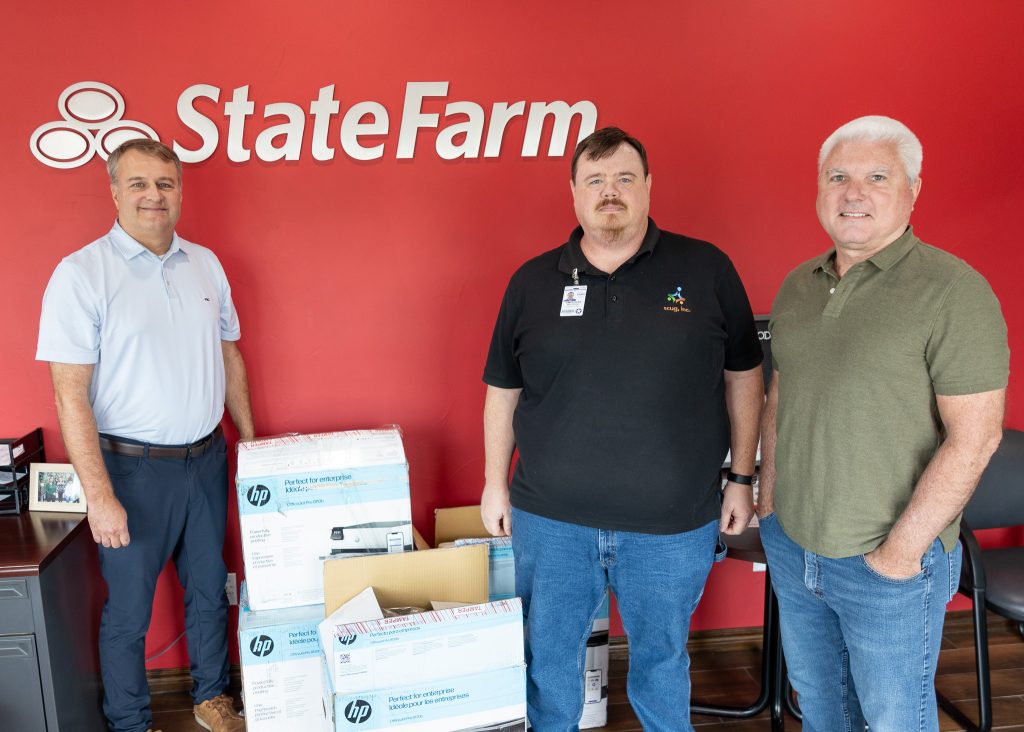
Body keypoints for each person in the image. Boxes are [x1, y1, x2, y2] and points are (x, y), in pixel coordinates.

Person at [481, 127, 764, 731]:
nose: (611, 192)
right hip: (552, 521)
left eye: (625, 178)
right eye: (596, 180)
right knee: (547, 662)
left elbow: (745, 375)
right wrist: (492, 484)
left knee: (662, 661)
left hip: (671, 524)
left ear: (648, 188)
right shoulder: (531, 282)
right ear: (575, 195)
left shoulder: (706, 268)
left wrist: (740, 478)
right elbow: (503, 390)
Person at [758, 116, 1009, 731]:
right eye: (838, 176)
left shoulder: (954, 291)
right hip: (795, 547)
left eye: (877, 176)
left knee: (896, 721)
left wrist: (899, 554)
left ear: (912, 189)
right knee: (822, 712)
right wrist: (769, 505)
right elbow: (779, 396)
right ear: (820, 188)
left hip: (887, 562)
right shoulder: (799, 287)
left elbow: (976, 437)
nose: (854, 192)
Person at [36, 138, 255, 732]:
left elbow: (229, 354)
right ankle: (130, 722)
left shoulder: (206, 264)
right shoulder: (81, 274)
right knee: (129, 612)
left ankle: (212, 696)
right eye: (138, 184)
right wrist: (100, 495)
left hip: (206, 459)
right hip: (130, 471)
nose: (153, 196)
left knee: (211, 588)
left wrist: (251, 442)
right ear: (114, 192)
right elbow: (68, 395)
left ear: (180, 191)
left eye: (165, 183)